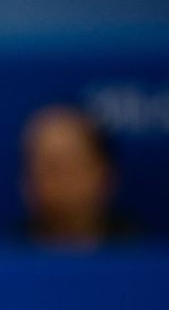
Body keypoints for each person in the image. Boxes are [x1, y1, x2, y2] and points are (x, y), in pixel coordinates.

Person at [21, 103, 123, 248]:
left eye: (73, 166)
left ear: (104, 173)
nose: (63, 181)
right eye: (52, 168)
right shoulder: (6, 261)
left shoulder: (141, 255)